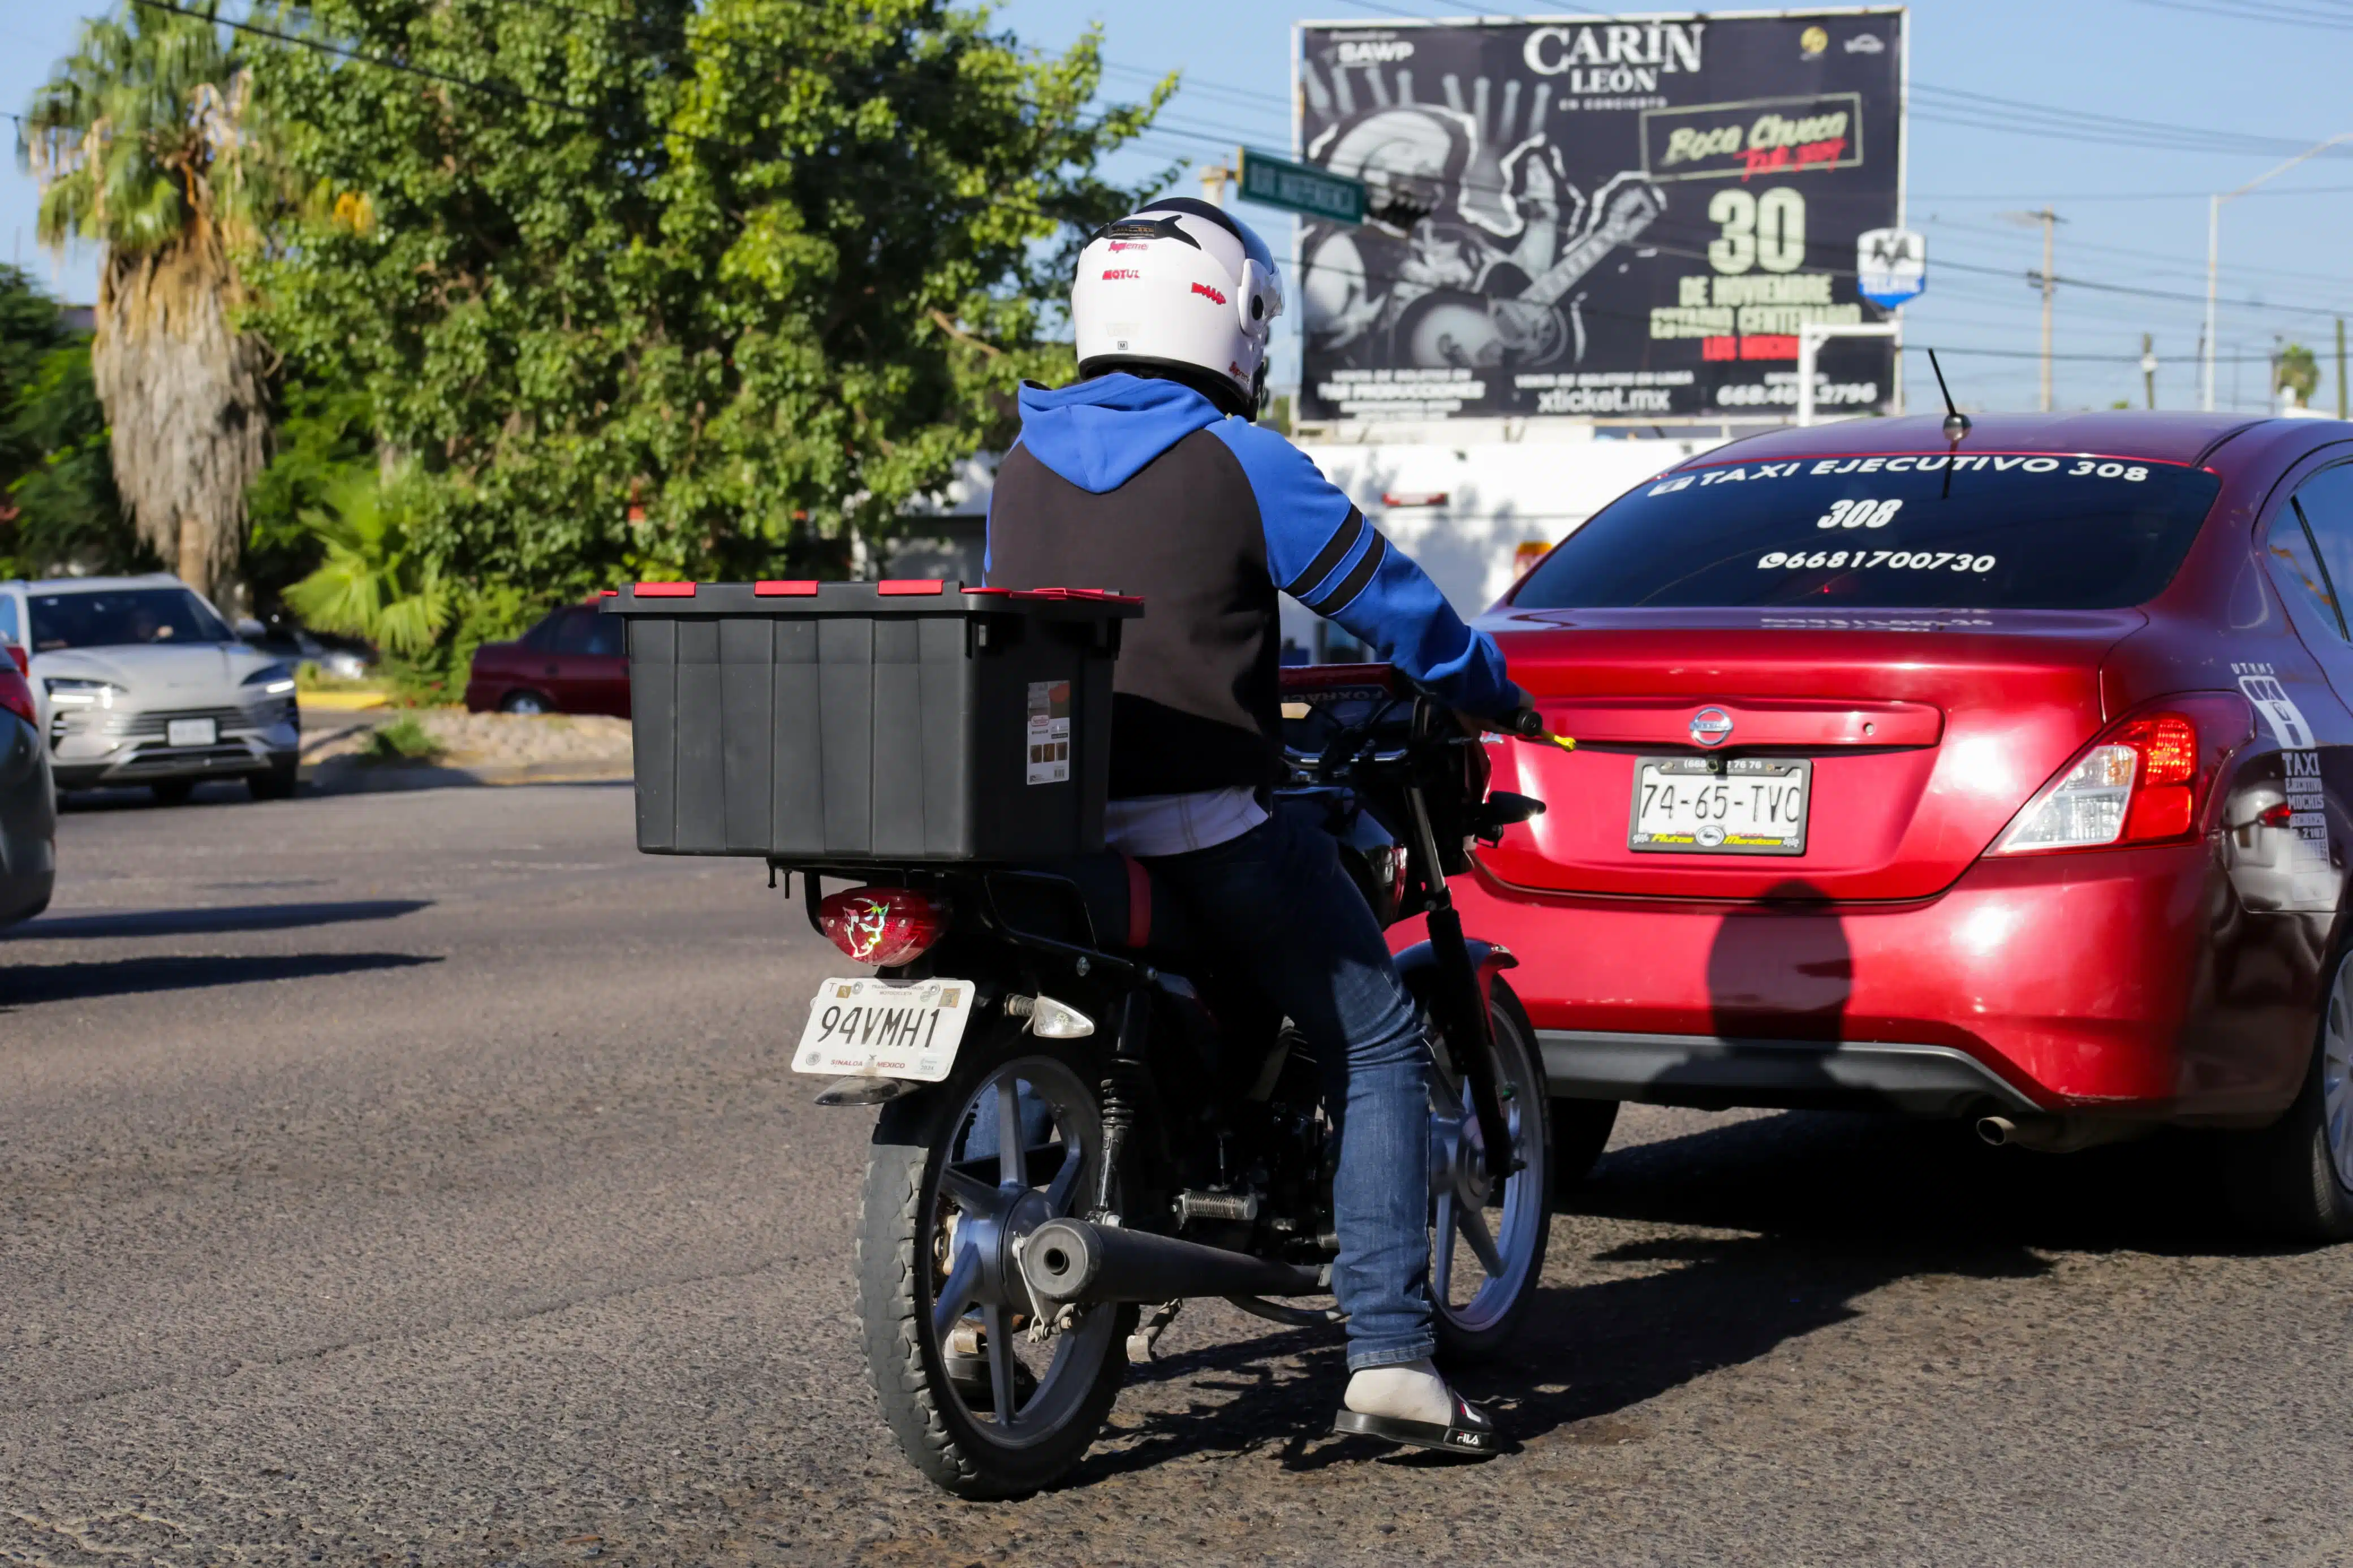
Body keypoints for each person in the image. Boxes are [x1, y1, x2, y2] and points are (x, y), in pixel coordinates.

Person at [984, 196, 1532, 1456]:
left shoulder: (1023, 454)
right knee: (1382, 1041)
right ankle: (1391, 1352)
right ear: (1232, 319)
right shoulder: (1242, 461)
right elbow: (1392, 604)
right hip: (1199, 823)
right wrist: (1499, 693)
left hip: (1050, 828)